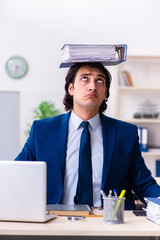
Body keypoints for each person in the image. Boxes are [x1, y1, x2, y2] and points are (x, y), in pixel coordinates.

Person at [15, 62, 160, 210]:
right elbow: (17, 174)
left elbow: (143, 183)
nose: (93, 86)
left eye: (100, 80)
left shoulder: (125, 133)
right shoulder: (42, 130)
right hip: (56, 218)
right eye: (85, 78)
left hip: (109, 220)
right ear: (71, 88)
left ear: (105, 93)